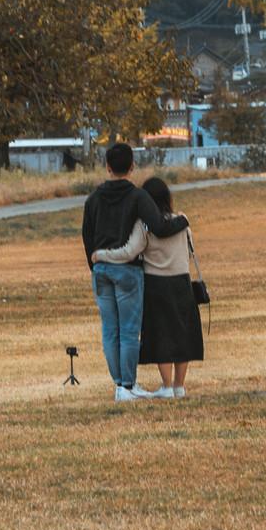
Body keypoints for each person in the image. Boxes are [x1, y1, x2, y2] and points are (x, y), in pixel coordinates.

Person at [82, 142, 189, 403]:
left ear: (107, 167)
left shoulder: (93, 199)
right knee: (129, 331)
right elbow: (159, 227)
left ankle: (119, 384)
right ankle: (128, 385)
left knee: (110, 329)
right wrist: (183, 221)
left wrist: (94, 265)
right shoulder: (138, 197)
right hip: (127, 270)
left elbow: (87, 236)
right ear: (132, 167)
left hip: (101, 269)